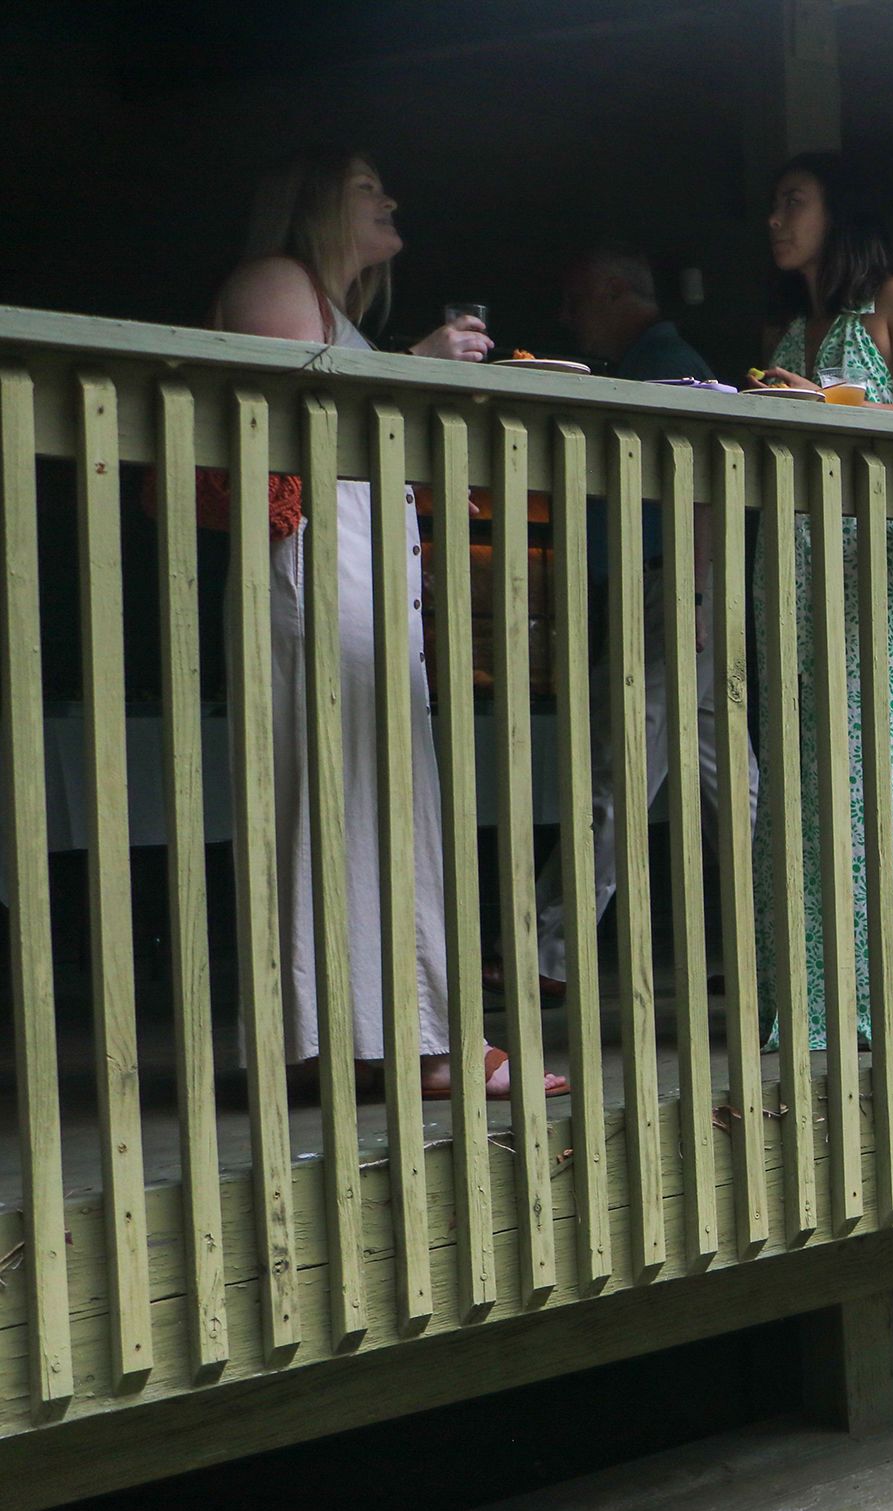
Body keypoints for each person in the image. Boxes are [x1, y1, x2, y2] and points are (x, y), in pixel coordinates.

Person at [212, 149, 564, 1100]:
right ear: (319, 201)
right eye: (369, 188)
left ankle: (396, 1036)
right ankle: (397, 1041)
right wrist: (417, 364)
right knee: (340, 804)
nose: (390, 199)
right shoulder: (274, 280)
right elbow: (287, 410)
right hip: (317, 581)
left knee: (381, 803)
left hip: (364, 585)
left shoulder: (343, 315)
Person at [505, 246, 761, 1002]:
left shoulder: (667, 362)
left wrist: (692, 592)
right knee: (733, 782)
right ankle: (781, 938)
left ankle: (548, 947)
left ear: (617, 292)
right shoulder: (648, 362)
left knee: (621, 761)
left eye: (576, 296)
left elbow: (705, 483)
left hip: (670, 588)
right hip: (681, 591)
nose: (566, 315)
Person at [755, 152, 893, 1049]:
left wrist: (835, 407)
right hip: (787, 576)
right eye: (774, 203)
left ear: (840, 214)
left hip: (859, 575)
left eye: (793, 201)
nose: (775, 218)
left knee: (867, 775)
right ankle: (814, 996)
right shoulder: (790, 332)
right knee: (797, 782)